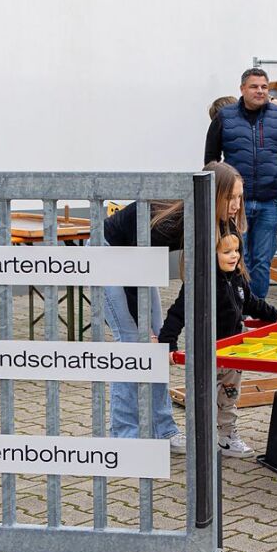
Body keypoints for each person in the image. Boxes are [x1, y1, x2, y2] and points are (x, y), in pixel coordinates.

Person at [102, 161, 247, 449]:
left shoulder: (216, 221)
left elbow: (221, 277)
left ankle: (163, 431)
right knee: (133, 342)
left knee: (154, 348)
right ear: (213, 193)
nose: (236, 205)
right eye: (230, 197)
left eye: (240, 197)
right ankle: (124, 437)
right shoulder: (173, 219)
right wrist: (145, 326)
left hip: (138, 264)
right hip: (110, 253)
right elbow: (132, 268)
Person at [158, 227, 277, 456]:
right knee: (202, 399)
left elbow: (251, 303)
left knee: (229, 398)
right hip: (206, 355)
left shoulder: (237, 279)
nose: (234, 255)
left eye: (236, 250)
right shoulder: (200, 284)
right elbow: (178, 313)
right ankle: (199, 437)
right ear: (210, 254)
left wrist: (274, 315)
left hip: (233, 354)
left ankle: (226, 437)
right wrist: (168, 343)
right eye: (227, 251)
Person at [204, 67, 277, 299]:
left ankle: (256, 307)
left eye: (264, 87)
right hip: (236, 204)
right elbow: (211, 161)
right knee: (238, 256)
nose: (260, 91)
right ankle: (237, 308)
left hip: (270, 201)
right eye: (254, 86)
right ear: (242, 89)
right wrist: (218, 196)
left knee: (262, 259)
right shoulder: (224, 117)